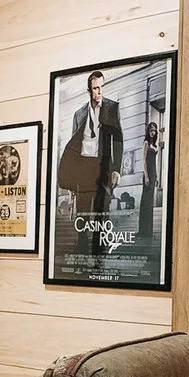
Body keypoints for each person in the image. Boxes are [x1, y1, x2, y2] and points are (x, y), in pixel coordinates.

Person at [57, 69, 124, 251]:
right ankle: (81, 248)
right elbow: (72, 149)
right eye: (96, 88)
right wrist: (71, 178)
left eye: (102, 87)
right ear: (89, 90)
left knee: (101, 213)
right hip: (83, 169)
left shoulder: (112, 108)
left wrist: (117, 169)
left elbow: (117, 140)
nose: (100, 92)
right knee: (82, 214)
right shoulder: (79, 115)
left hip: (102, 168)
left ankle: (99, 251)